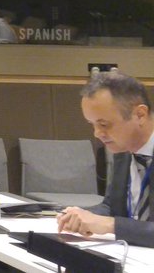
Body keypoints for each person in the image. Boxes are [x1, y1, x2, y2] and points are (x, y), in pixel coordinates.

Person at [58, 72, 154, 246]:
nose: (97, 133)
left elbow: (112, 221)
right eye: (92, 124)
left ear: (140, 115)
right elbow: (112, 206)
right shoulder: (123, 150)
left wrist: (112, 225)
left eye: (104, 124)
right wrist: (80, 216)